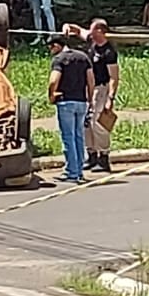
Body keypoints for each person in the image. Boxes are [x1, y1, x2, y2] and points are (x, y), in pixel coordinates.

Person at [46, 32, 94, 183]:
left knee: (68, 137)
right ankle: (79, 169)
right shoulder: (83, 57)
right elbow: (91, 80)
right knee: (79, 136)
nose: (50, 51)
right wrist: (90, 99)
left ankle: (71, 172)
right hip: (81, 101)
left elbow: (54, 80)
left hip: (65, 101)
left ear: (56, 46)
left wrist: (52, 95)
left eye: (50, 48)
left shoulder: (59, 59)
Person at [80, 18, 119, 173]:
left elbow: (114, 77)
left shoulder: (109, 52)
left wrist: (110, 98)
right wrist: (68, 27)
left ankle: (103, 158)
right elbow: (78, 31)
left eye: (93, 30)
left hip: (101, 89)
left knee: (98, 123)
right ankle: (91, 155)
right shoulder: (92, 42)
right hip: (88, 88)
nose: (90, 33)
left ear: (101, 31)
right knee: (87, 123)